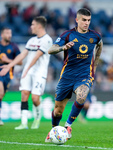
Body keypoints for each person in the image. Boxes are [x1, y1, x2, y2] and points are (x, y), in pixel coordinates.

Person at [45, 8, 103, 142]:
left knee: (82, 96)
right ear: (77, 20)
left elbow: (100, 45)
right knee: (58, 111)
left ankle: (68, 125)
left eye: (88, 20)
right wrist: (63, 48)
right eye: (84, 20)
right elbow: (50, 49)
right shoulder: (67, 35)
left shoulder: (95, 36)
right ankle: (54, 131)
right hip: (67, 76)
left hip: (84, 75)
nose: (86, 23)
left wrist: (94, 66)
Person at [0, 16, 53, 130]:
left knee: (34, 98)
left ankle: (37, 118)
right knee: (24, 95)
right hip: (27, 71)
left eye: (33, 24)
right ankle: (23, 123)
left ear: (39, 26)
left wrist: (26, 69)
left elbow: (37, 57)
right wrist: (9, 65)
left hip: (39, 72)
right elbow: (22, 55)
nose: (31, 27)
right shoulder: (31, 40)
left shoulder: (47, 40)